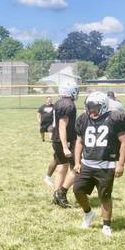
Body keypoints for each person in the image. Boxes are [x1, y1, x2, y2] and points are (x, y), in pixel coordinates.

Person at [72, 92, 125, 237]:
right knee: (77, 190)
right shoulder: (83, 119)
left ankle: (106, 225)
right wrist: (77, 162)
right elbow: (79, 142)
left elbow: (124, 141)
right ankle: (88, 213)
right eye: (89, 107)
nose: (91, 110)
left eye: (94, 107)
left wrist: (120, 164)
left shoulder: (115, 118)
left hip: (106, 165)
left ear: (103, 106)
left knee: (104, 196)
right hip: (87, 163)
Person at [51, 78, 79, 208]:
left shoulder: (59, 102)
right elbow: (62, 126)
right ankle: (62, 192)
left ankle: (56, 195)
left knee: (62, 166)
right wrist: (65, 146)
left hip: (56, 138)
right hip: (65, 140)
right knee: (78, 167)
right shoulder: (68, 104)